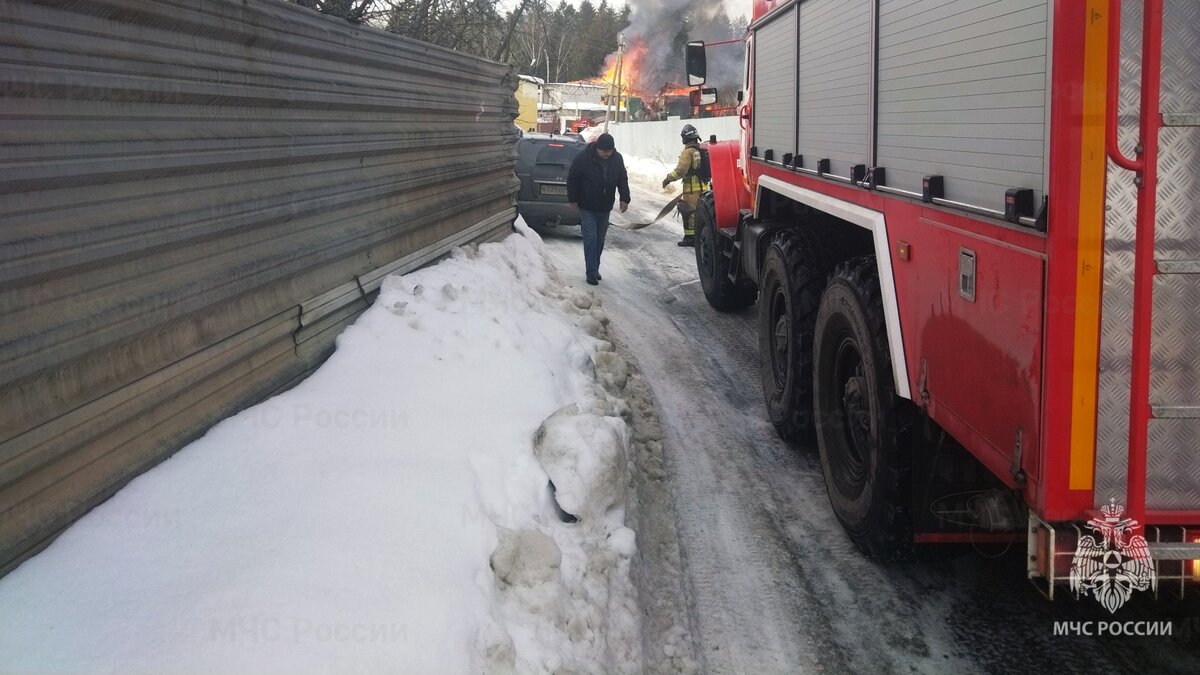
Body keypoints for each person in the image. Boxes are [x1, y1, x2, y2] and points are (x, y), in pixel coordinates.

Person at [567, 132, 630, 285]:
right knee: (590, 238)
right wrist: (573, 200)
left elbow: (622, 178)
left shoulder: (617, 159)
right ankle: (591, 272)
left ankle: (595, 268)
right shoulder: (584, 158)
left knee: (600, 240)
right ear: (597, 148)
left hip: (605, 206)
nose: (606, 154)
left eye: (609, 151)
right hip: (587, 205)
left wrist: (624, 198)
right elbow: (573, 178)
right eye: (603, 151)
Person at [661, 124, 705, 247]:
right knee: (699, 213)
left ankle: (690, 238)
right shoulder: (699, 150)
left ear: (687, 137)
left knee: (689, 213)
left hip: (691, 189)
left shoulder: (687, 152)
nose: (682, 139)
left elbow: (681, 171)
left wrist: (668, 178)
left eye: (683, 137)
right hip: (702, 187)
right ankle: (699, 236)